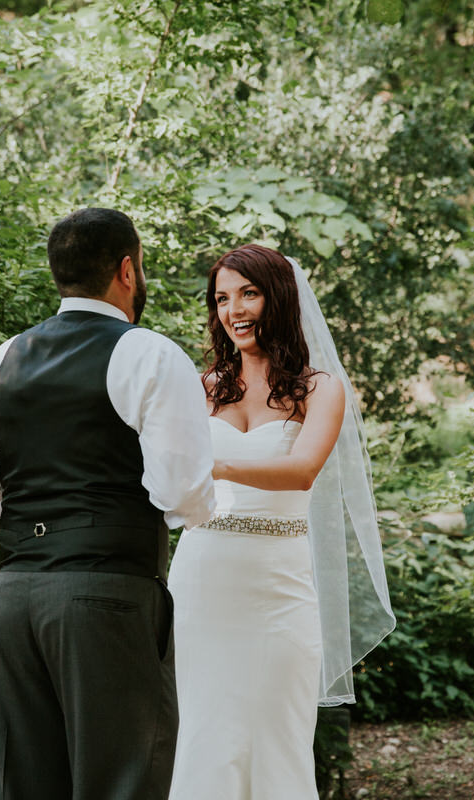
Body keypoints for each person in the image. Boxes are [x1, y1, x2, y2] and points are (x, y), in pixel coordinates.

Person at [0, 208, 218, 800]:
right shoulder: (151, 355)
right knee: (124, 783)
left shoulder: (2, 358)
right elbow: (183, 492)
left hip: (13, 598)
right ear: (128, 270)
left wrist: (38, 505)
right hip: (106, 597)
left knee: (28, 786)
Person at [166, 243, 395, 800]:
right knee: (204, 733)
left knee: (279, 734)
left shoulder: (321, 389)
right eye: (222, 298)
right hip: (202, 577)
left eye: (248, 293)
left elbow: (300, 472)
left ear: (279, 298)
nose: (233, 309)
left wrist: (210, 465)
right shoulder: (201, 388)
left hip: (279, 581)